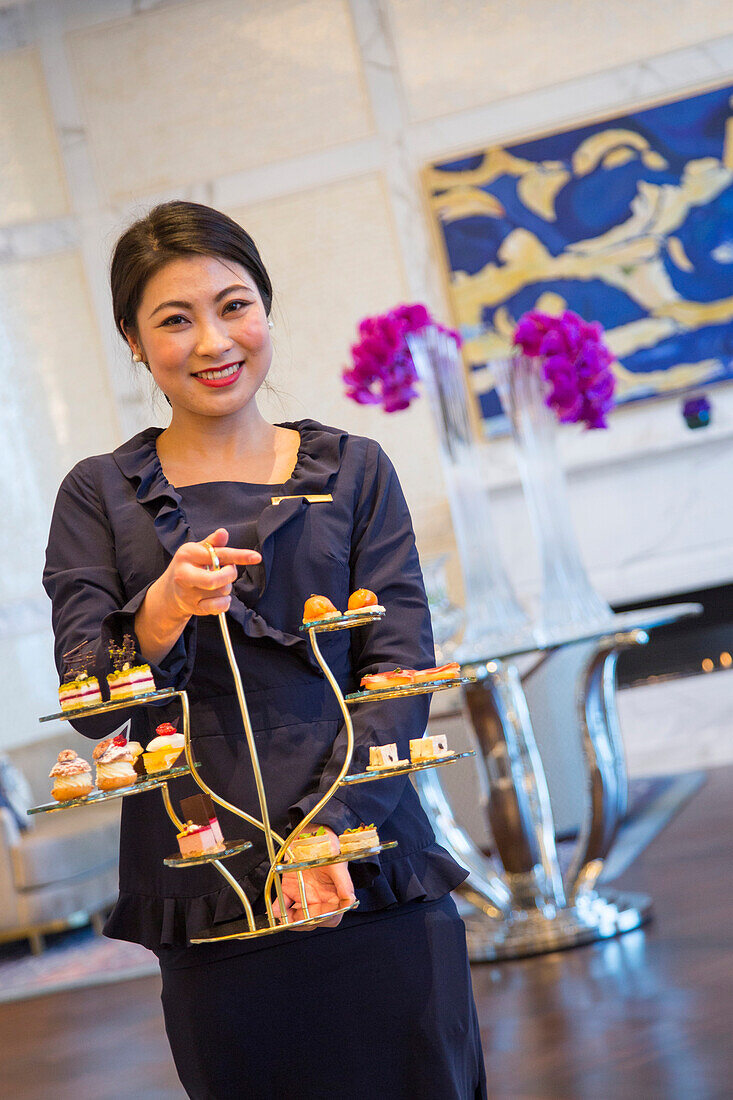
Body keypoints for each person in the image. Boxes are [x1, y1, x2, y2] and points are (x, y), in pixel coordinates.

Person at [43, 200, 487, 1099]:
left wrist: (331, 833)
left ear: (266, 310)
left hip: (373, 862)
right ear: (133, 339)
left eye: (233, 304)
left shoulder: (356, 471)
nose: (213, 340)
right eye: (174, 318)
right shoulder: (98, 496)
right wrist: (163, 608)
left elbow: (397, 670)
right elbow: (97, 707)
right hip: (210, 884)